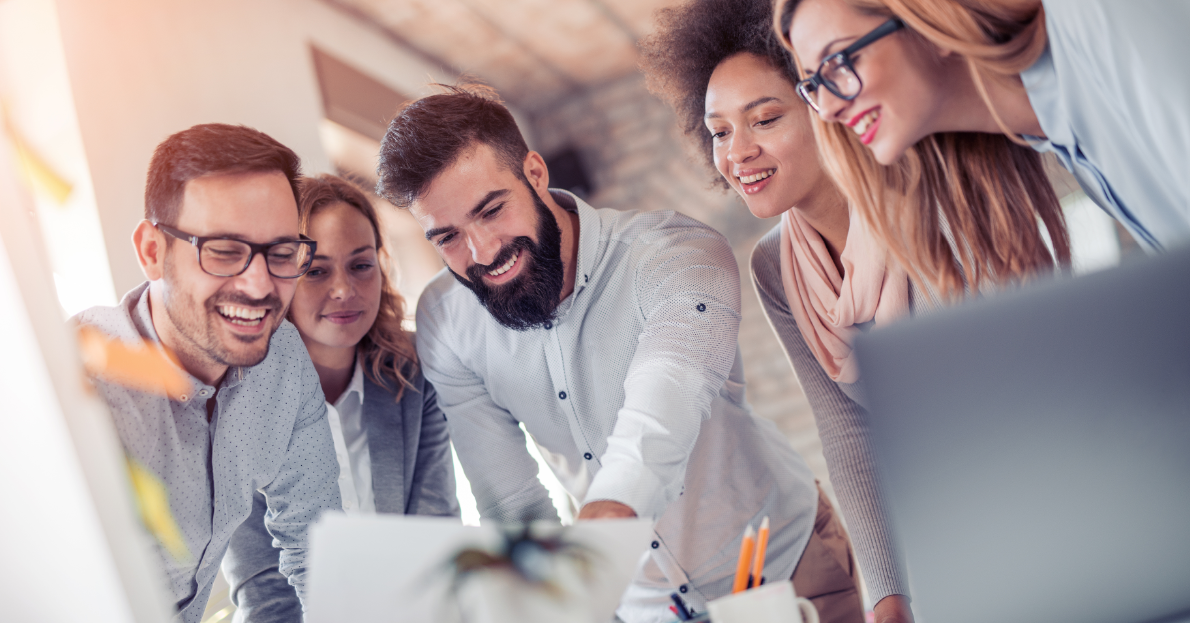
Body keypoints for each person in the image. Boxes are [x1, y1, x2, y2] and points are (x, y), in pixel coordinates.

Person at [374, 84, 838, 623]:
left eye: (492, 210)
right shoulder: (446, 321)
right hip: (642, 609)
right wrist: (548, 598)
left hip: (783, 570)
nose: (482, 252)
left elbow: (666, 399)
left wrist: (607, 516)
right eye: (446, 237)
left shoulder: (678, 254)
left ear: (535, 172)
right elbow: (512, 502)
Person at [639, 0, 919, 622]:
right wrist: (889, 596)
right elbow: (850, 434)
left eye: (764, 119)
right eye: (719, 132)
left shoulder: (924, 207)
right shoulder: (775, 266)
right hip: (929, 529)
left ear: (824, 104)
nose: (737, 153)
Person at [74, 124, 341, 623]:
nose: (260, 286)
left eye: (282, 253)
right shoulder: (78, 385)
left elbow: (319, 549)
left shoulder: (282, 357)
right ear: (152, 252)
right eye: (223, 251)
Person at [222, 174, 459, 623]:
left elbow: (436, 538)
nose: (344, 290)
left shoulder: (412, 376)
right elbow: (263, 591)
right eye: (316, 270)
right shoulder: (241, 406)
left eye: (360, 265)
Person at [773, 0, 1083, 300]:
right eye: (814, 85)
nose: (826, 110)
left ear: (930, 21)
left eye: (840, 61)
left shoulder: (1097, 49)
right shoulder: (1051, 136)